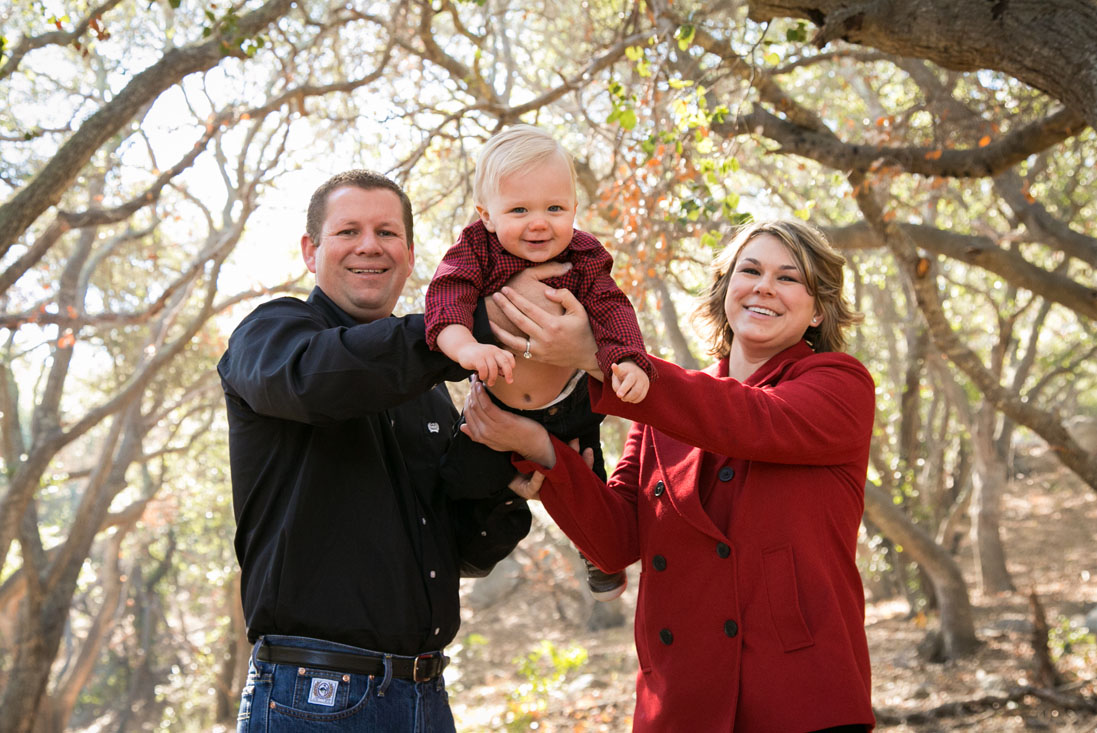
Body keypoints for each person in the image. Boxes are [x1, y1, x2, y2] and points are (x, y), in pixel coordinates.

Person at [461, 219, 877, 731]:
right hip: (679, 702)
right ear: (726, 290)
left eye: (789, 278)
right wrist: (539, 447)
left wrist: (599, 354)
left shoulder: (839, 384)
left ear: (818, 310)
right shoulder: (662, 410)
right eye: (750, 270)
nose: (765, 286)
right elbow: (615, 543)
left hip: (801, 698)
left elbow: (748, 420)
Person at [217, 170, 537, 732]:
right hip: (311, 701)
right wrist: (455, 329)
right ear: (310, 251)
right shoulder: (270, 336)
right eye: (349, 231)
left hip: (425, 697)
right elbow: (317, 381)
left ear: (410, 256)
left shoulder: (432, 393)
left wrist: (507, 482)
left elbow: (461, 553)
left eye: (387, 232)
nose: (370, 245)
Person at [425, 124, 657, 601]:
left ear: (574, 208)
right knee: (461, 479)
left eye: (555, 208)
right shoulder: (475, 250)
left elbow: (613, 308)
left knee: (590, 476)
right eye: (519, 210)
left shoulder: (585, 254)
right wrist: (469, 349)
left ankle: (599, 560)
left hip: (570, 403)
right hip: (499, 409)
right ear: (486, 216)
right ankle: (484, 532)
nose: (539, 223)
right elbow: (446, 299)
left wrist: (628, 360)